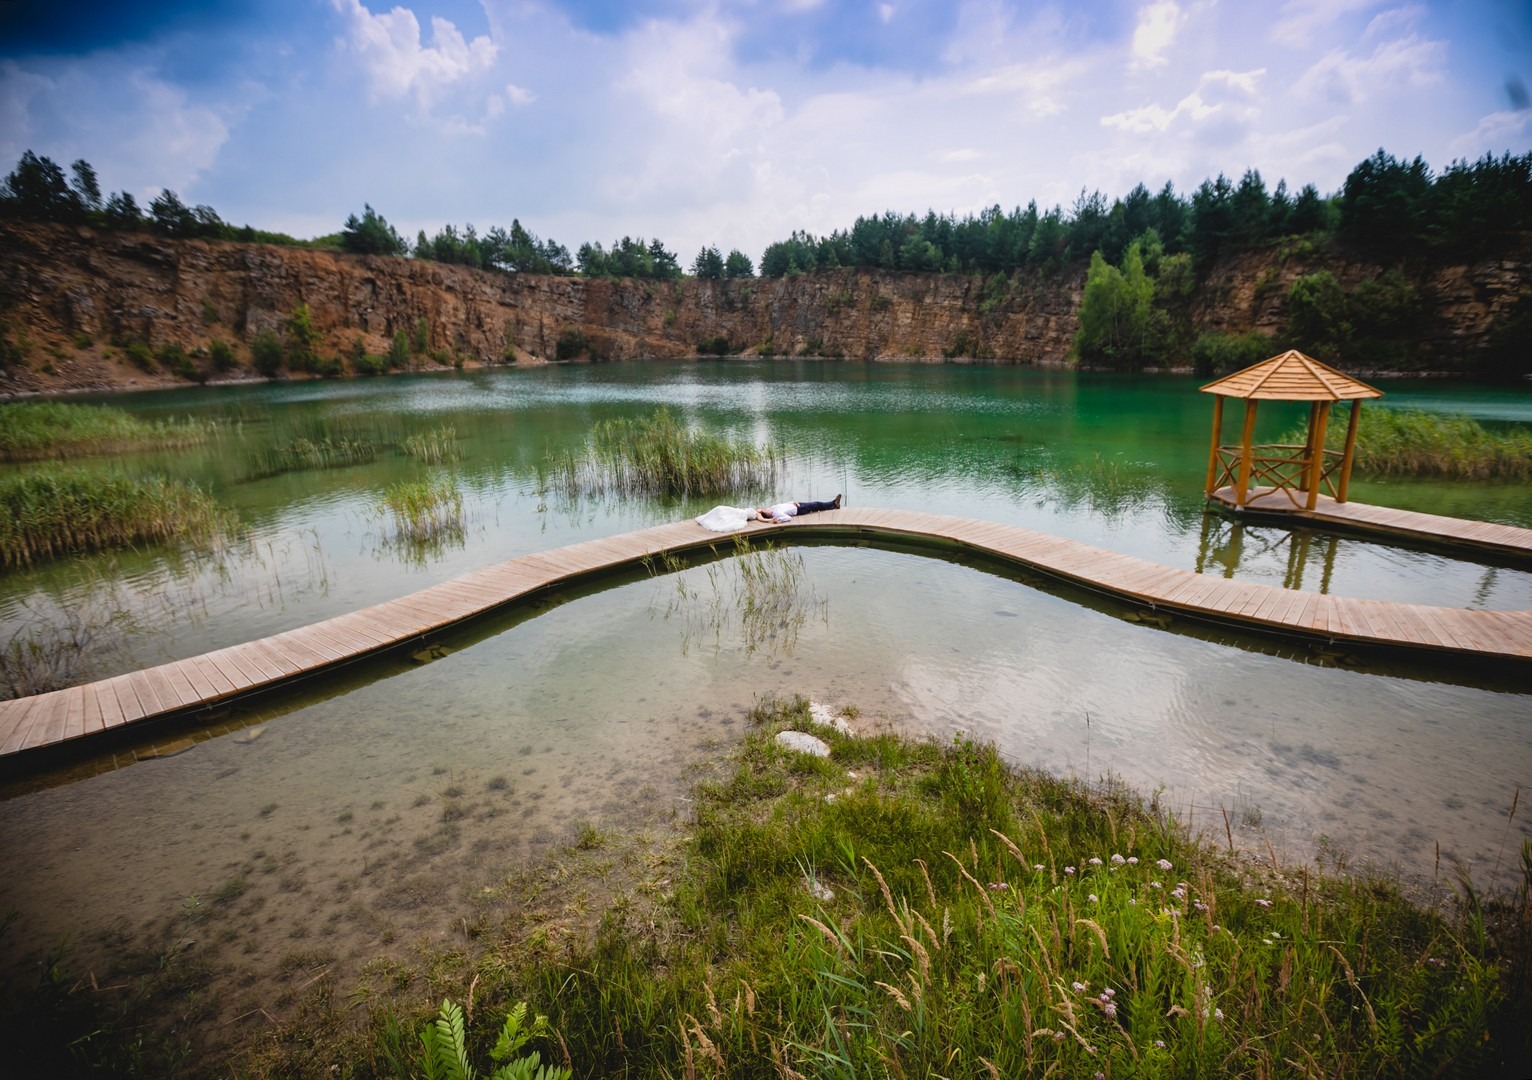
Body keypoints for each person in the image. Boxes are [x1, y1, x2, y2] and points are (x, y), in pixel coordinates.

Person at [756, 494, 842, 523]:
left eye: (765, 508)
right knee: (817, 504)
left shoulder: (773, 508)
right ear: (768, 514)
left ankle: (833, 504)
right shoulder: (776, 514)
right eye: (765, 510)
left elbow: (784, 504)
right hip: (800, 510)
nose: (766, 508)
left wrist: (793, 502)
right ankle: (834, 504)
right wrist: (778, 520)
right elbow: (788, 518)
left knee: (816, 505)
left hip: (798, 504)